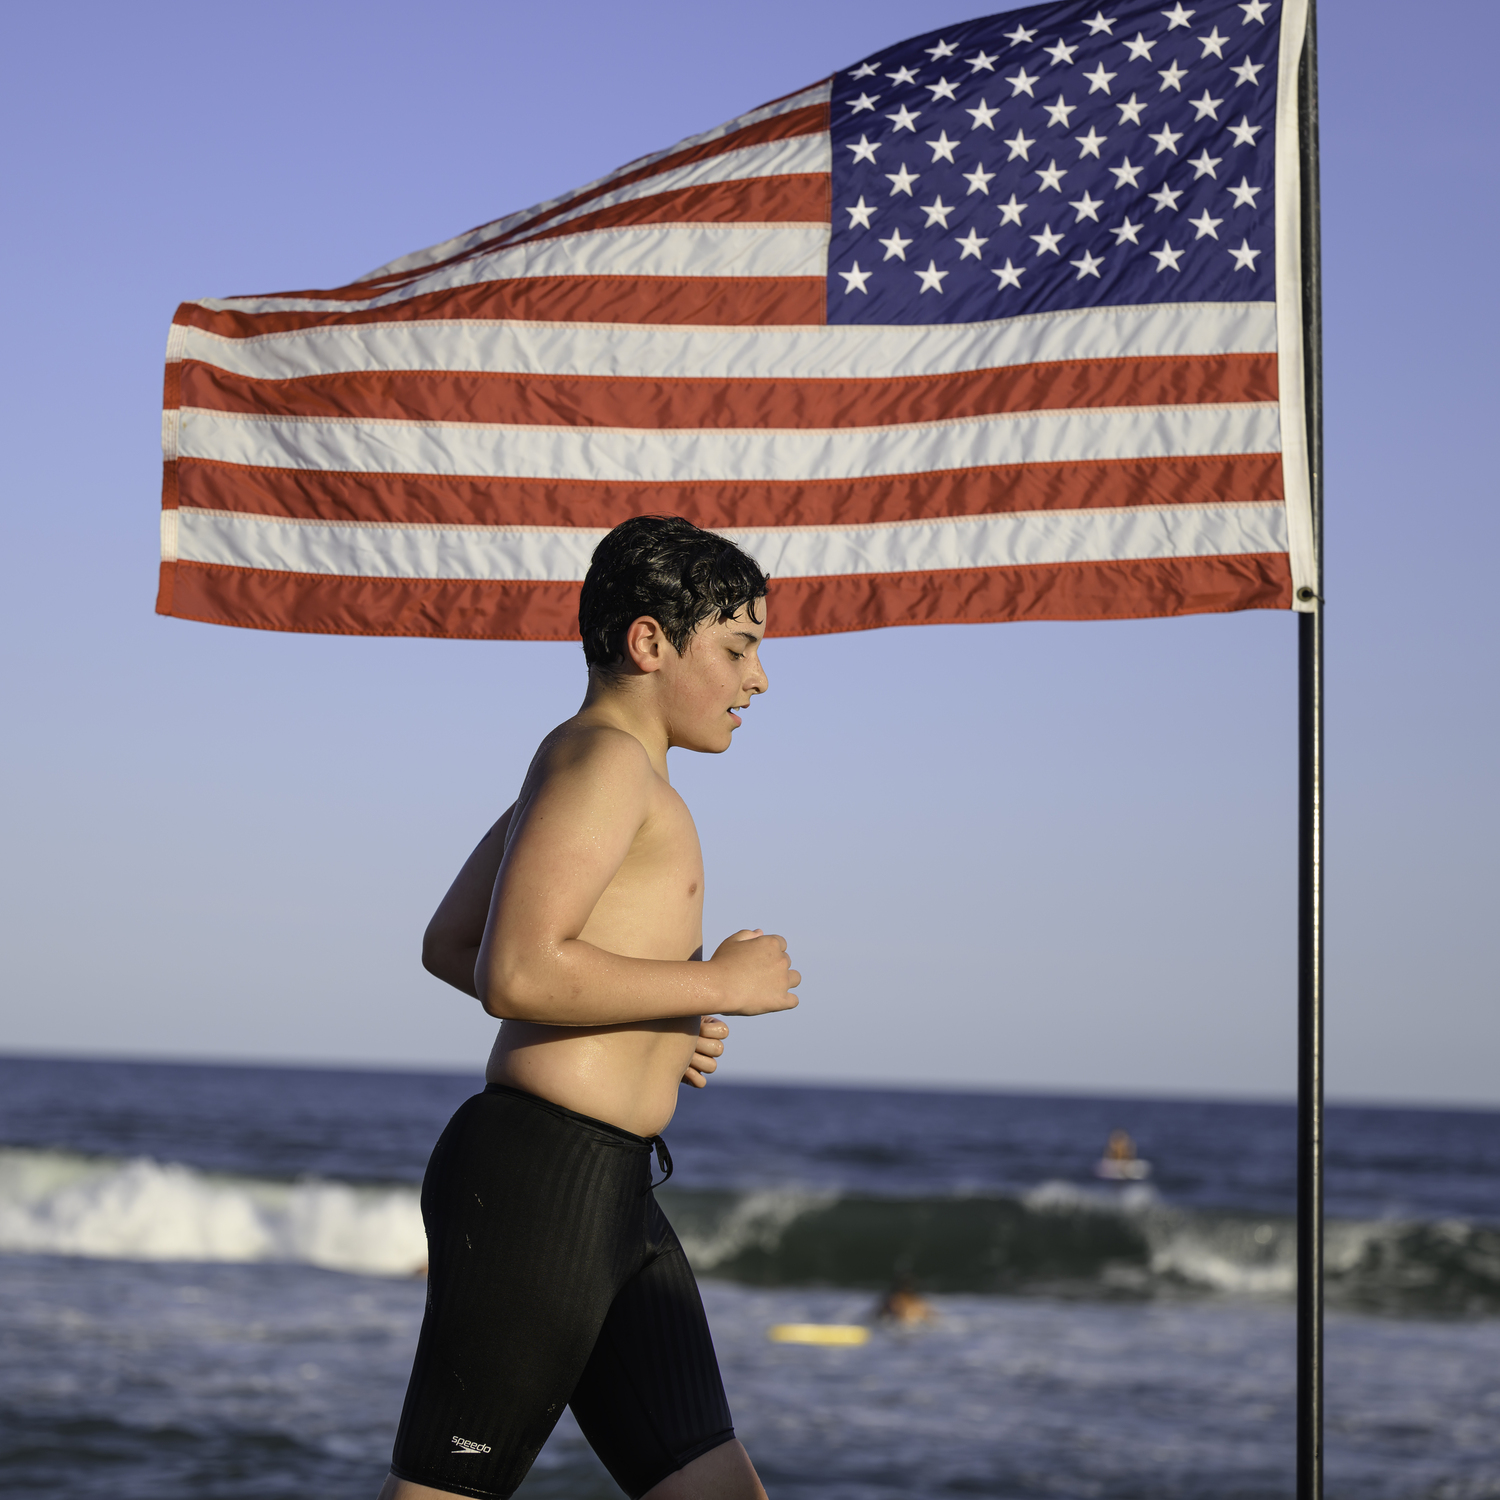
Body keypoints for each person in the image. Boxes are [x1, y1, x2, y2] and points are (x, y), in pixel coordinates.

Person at [378, 515, 800, 1500]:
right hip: (540, 1180)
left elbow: (455, 944)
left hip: (612, 1191)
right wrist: (714, 985)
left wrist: (654, 1021)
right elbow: (515, 973)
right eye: (739, 647)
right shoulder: (603, 761)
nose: (759, 680)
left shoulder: (590, 765)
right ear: (649, 641)